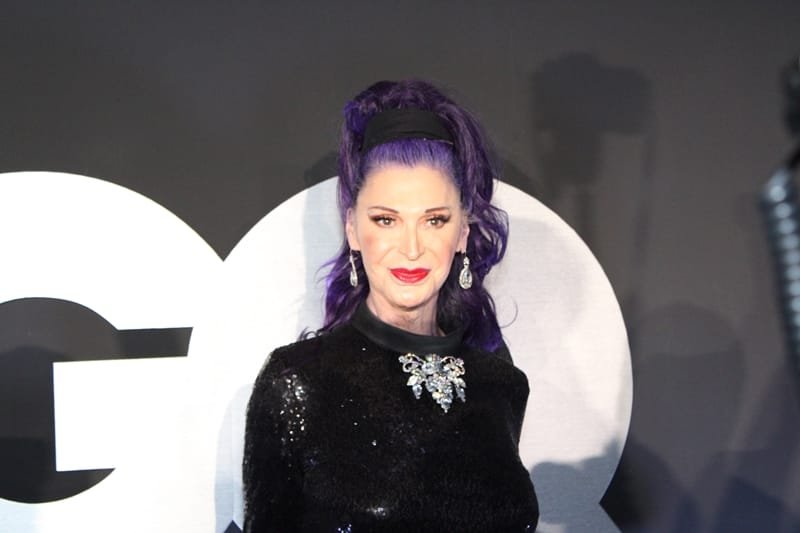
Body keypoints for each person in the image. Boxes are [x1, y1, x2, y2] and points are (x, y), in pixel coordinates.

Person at [243, 79, 539, 532]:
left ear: (462, 232)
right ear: (353, 229)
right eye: (386, 220)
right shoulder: (296, 383)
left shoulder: (501, 384)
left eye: (434, 220)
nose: (411, 248)